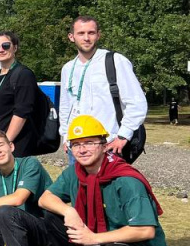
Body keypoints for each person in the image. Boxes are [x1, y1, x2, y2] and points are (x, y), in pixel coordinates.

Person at [2, 115, 167, 246]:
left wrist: (94, 238)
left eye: (89, 142)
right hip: (102, 240)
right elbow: (45, 199)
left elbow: (145, 231)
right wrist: (68, 210)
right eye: (76, 144)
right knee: (52, 215)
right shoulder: (76, 171)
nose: (82, 149)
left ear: (104, 145)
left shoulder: (126, 180)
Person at [58, 16, 148, 157]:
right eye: (81, 33)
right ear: (71, 37)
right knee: (78, 180)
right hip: (77, 145)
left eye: (91, 33)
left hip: (107, 145)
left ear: (98, 35)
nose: (86, 38)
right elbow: (65, 106)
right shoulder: (68, 68)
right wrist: (65, 135)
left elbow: (137, 103)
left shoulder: (115, 61)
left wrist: (123, 136)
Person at [0, 31, 40, 158]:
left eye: (5, 45)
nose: (1, 50)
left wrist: (5, 143)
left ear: (15, 47)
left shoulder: (23, 74)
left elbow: (22, 112)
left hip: (15, 144)